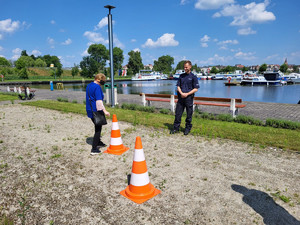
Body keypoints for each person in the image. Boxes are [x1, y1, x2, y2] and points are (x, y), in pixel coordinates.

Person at [170, 60, 199, 135]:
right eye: (184, 67)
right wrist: (182, 93)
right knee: (178, 114)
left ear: (190, 66)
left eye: (186, 67)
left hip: (189, 98)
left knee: (189, 115)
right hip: (181, 98)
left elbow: (196, 88)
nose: (185, 68)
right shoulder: (181, 76)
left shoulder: (193, 77)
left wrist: (187, 94)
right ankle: (176, 128)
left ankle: (187, 128)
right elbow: (178, 86)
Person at [86, 73, 110, 155]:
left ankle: (98, 142)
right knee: (98, 129)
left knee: (97, 126)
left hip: (89, 109)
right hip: (96, 110)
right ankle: (94, 149)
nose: (103, 83)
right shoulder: (97, 87)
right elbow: (99, 101)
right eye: (102, 81)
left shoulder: (89, 85)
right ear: (98, 79)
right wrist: (105, 111)